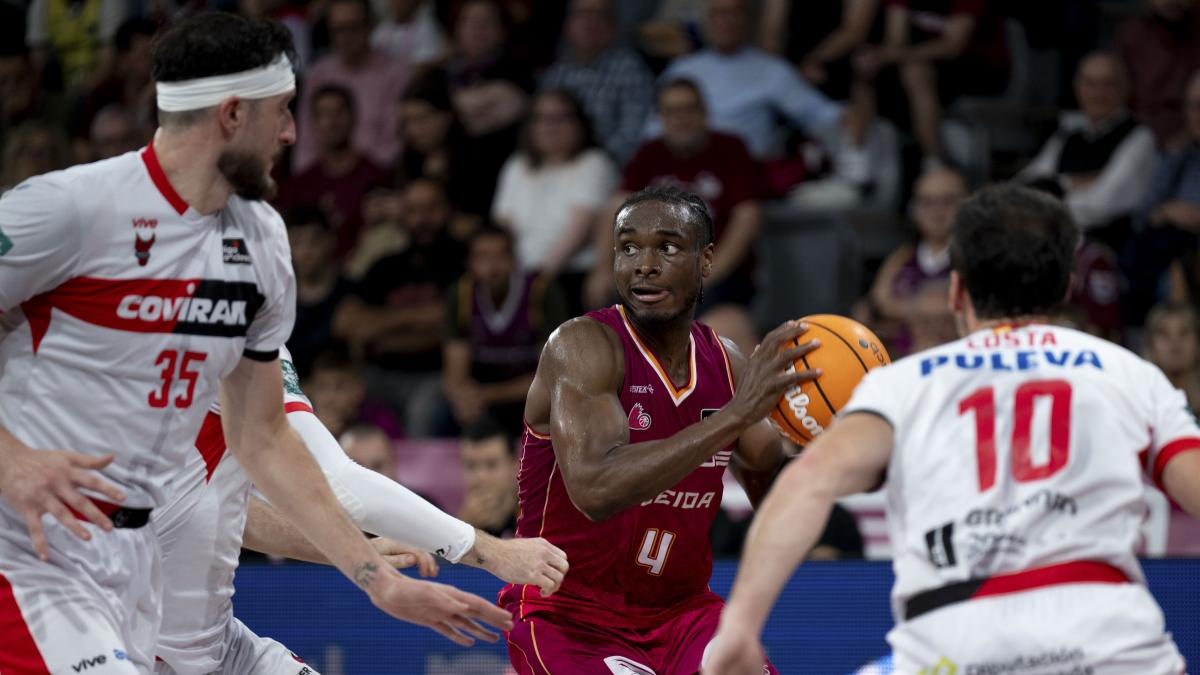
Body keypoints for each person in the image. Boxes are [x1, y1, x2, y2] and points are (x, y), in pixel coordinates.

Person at [0, 13, 508, 672]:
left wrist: (377, 579)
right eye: (284, 112)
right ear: (233, 114)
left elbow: (266, 439)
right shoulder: (72, 209)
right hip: (33, 554)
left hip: (137, 566)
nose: (294, 133)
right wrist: (10, 457)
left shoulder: (262, 243)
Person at [704, 184, 1200, 674]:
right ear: (1066, 286)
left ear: (957, 290)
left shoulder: (904, 384)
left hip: (956, 641)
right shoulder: (1131, 374)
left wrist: (740, 626)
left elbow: (807, 484)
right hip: (1113, 640)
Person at [501, 185, 817, 674]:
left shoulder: (728, 363)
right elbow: (596, 488)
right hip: (568, 613)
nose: (643, 265)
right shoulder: (582, 346)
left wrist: (835, 440)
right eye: (628, 247)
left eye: (667, 247)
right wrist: (733, 417)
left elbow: (773, 488)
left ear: (706, 260)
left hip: (684, 613)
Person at [153, 345, 568, 675]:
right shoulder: (222, 324)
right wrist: (493, 553)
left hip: (217, 645)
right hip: (126, 639)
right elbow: (339, 484)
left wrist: (354, 551)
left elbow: (231, 513)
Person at [594, 78, 765, 353]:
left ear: (704, 113)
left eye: (688, 110)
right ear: (660, 117)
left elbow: (747, 220)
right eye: (671, 112)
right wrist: (602, 267)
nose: (680, 119)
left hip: (716, 278)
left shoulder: (731, 149)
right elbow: (616, 210)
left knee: (720, 330)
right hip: (654, 272)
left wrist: (703, 275)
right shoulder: (650, 153)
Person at [336, 177, 467, 437]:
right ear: (402, 215)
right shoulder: (386, 266)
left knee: (424, 411)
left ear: (447, 209)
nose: (423, 219)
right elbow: (347, 324)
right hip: (378, 374)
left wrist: (383, 329)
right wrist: (419, 320)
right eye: (413, 211)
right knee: (335, 398)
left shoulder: (463, 261)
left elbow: (452, 322)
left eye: (431, 209)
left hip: (434, 375)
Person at [491, 88, 618, 312]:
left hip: (570, 274)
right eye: (541, 119)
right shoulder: (517, 165)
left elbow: (580, 229)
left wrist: (537, 280)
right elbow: (502, 226)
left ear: (579, 123)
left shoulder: (594, 163)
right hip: (518, 275)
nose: (550, 126)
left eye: (561, 118)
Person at [1017, 51, 1157, 247]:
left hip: (1103, 246)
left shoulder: (1140, 138)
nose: (1097, 93)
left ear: (1126, 88)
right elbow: (1026, 181)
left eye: (1108, 84)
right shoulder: (1068, 133)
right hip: (1053, 236)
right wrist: (1068, 182)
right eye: (1089, 83)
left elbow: (1103, 204)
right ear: (1077, 87)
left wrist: (1051, 190)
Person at [442, 225, 568, 437]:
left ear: (514, 259)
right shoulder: (461, 294)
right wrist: (463, 398)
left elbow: (552, 377)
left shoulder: (540, 291)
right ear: (469, 263)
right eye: (482, 257)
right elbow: (454, 374)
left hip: (529, 393)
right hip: (480, 395)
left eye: (500, 255)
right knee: (436, 409)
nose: (492, 266)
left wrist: (490, 395)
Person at [852, 0, 1009, 167]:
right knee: (864, 67)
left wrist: (893, 56)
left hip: (979, 68)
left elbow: (952, 47)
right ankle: (861, 154)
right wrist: (875, 57)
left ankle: (935, 163)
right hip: (925, 63)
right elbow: (895, 41)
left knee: (914, 70)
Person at [293, 0, 410, 172]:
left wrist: (356, 177)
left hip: (375, 177)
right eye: (338, 29)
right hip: (322, 179)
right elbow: (306, 139)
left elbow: (393, 141)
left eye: (353, 27)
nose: (346, 36)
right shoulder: (318, 74)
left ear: (370, 26)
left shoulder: (396, 74)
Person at [278, 84, 390, 259]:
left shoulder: (375, 176)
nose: (333, 121)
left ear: (353, 117)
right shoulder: (300, 183)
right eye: (324, 114)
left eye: (340, 112)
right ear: (314, 122)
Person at [861, 166, 964, 357]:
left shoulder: (973, 257)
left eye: (948, 201)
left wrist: (904, 309)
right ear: (914, 209)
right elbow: (877, 303)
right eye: (927, 202)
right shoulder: (901, 257)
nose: (937, 211)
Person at [540, 0, 656, 165]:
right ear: (568, 24)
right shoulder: (555, 75)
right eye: (581, 14)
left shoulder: (630, 70)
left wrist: (587, 163)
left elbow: (632, 136)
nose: (589, 21)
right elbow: (537, 131)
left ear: (614, 27)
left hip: (606, 169)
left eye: (599, 15)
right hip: (553, 167)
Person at [1115, 0, 1200, 149]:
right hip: (1138, 137)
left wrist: (1188, 135)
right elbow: (1118, 95)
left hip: (1191, 137)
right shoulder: (1131, 35)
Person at [457, 417, 519, 538]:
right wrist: (463, 529)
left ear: (514, 467)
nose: (480, 477)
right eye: (471, 466)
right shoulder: (459, 526)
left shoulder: (535, 521)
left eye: (491, 464)